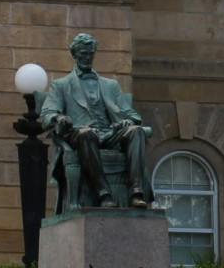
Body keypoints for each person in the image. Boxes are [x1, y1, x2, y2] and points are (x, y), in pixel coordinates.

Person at [37, 32, 154, 208]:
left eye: (90, 54)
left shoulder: (111, 85)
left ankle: (136, 192)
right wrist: (59, 118)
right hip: (80, 134)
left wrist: (128, 121)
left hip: (110, 133)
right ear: (74, 54)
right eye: (83, 53)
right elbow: (47, 114)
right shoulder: (61, 85)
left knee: (136, 131)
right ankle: (103, 194)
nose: (87, 57)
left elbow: (133, 115)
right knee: (87, 134)